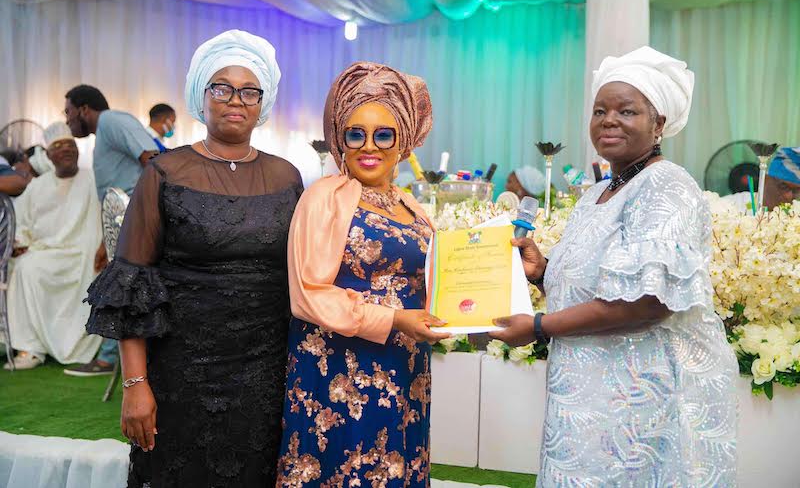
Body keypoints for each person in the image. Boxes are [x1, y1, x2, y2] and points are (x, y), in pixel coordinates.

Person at [490, 47, 738, 485]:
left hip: (639, 404)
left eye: (627, 110)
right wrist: (544, 271)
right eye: (600, 110)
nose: (609, 120)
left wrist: (539, 326)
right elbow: (602, 285)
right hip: (589, 397)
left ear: (658, 124)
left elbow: (648, 302)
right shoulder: (598, 193)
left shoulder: (666, 185)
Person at [85, 29, 302, 487]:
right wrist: (135, 384)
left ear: (263, 103)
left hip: (264, 371)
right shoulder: (164, 172)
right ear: (201, 97)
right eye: (221, 88)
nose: (235, 100)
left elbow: (300, 273)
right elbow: (131, 286)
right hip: (181, 367)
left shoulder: (286, 177)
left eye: (249, 90)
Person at [277, 62, 449, 487]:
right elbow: (307, 294)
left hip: (404, 363)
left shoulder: (410, 205)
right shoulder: (324, 197)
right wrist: (393, 319)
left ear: (404, 141)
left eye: (383, 134)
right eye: (356, 133)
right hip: (339, 369)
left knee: (397, 464)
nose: (368, 146)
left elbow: (435, 275)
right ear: (340, 139)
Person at [64, 84, 159, 376]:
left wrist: (143, 216)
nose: (67, 120)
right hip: (121, 225)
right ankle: (110, 358)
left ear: (83, 109)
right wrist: (105, 243)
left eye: (68, 112)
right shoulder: (102, 134)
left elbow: (152, 160)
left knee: (123, 288)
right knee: (116, 286)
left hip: (136, 222)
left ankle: (109, 360)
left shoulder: (113, 120)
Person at [3, 123, 103, 370]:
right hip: (45, 252)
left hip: (84, 254)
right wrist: (21, 243)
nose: (66, 150)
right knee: (25, 268)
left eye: (70, 145)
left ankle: (77, 346)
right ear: (48, 155)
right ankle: (30, 348)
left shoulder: (95, 179)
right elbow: (22, 221)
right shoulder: (38, 185)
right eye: (58, 146)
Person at [725, 146, 800, 212]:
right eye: (784, 187)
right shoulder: (730, 207)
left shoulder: (795, 216)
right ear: (765, 179)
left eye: (796, 190)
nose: (789, 196)